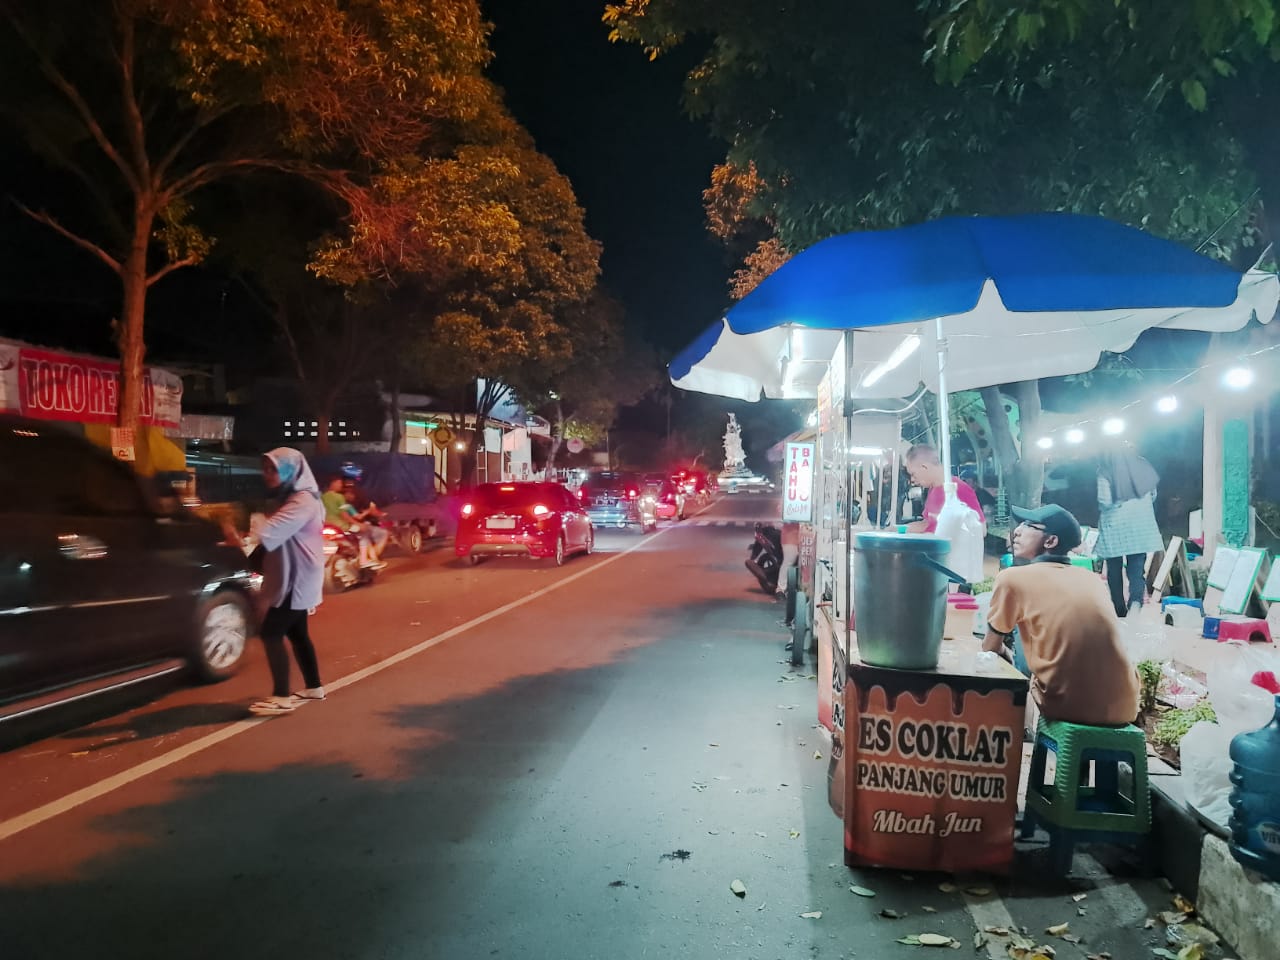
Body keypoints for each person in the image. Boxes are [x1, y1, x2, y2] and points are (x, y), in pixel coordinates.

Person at [983, 503, 1139, 726]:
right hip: (1126, 706)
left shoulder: (1012, 578)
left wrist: (1002, 651)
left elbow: (989, 649)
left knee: (1019, 631)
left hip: (1066, 705)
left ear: (1050, 541)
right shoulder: (1092, 579)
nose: (1017, 531)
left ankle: (1019, 728)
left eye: (1028, 526)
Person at [223, 449, 327, 716]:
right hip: (294, 575)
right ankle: (314, 686)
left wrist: (235, 536)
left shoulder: (302, 501)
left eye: (274, 469)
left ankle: (281, 696)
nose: (267, 474)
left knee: (271, 633)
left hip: (295, 579)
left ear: (291, 470)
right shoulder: (294, 498)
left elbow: (268, 532)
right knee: (298, 633)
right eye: (266, 468)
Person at [1096, 446, 1163, 617]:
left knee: (1114, 568)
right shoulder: (1142, 465)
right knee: (1137, 569)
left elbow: (1105, 501)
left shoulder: (1106, 470)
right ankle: (1135, 605)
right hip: (1140, 525)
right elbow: (1153, 494)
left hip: (1115, 526)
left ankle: (1119, 608)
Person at [902, 444, 986, 534]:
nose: (912, 479)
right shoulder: (932, 489)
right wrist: (896, 529)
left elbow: (981, 529)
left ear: (924, 467)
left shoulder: (958, 488)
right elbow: (927, 524)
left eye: (913, 474)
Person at [322, 476, 376, 567]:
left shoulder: (321, 497)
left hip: (325, 526)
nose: (341, 485)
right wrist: (358, 524)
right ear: (332, 483)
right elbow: (344, 515)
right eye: (339, 483)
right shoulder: (339, 497)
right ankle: (364, 560)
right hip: (342, 526)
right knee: (364, 533)